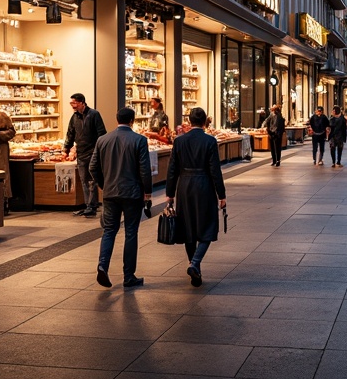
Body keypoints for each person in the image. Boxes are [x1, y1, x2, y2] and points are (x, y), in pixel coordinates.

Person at [90, 107, 153, 288]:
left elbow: (93, 167)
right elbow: (144, 169)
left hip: (110, 193)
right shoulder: (139, 140)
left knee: (109, 230)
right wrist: (147, 192)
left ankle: (103, 265)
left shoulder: (103, 140)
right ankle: (128, 275)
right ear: (132, 120)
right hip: (132, 194)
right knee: (131, 232)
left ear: (116, 119)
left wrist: (104, 184)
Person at [166, 106, 227, 286]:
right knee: (208, 225)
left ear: (189, 121)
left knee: (188, 227)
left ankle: (194, 266)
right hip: (204, 185)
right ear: (204, 122)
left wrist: (169, 193)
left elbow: (172, 170)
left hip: (184, 186)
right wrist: (221, 194)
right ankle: (195, 263)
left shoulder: (179, 141)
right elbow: (215, 170)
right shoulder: (210, 141)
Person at [63, 92, 107, 218]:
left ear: (82, 102)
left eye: (75, 103)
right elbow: (70, 133)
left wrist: (99, 151)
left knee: (92, 180)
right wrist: (66, 149)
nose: (73, 106)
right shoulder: (74, 117)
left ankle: (91, 206)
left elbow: (101, 133)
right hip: (81, 153)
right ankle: (88, 205)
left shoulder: (94, 114)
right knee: (84, 180)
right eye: (71, 103)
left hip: (93, 152)